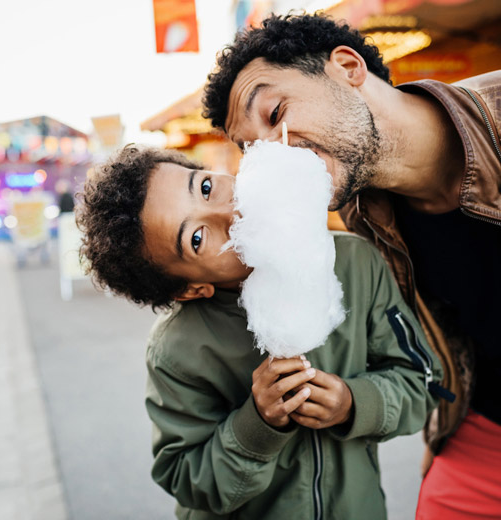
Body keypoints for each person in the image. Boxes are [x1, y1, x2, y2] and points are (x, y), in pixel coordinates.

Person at [201, 12, 501, 518]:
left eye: (275, 114)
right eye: (251, 148)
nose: (271, 156)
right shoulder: (362, 216)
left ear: (346, 66)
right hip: (480, 432)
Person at [76, 144, 443, 519]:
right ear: (189, 290)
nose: (231, 211)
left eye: (204, 187)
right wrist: (258, 425)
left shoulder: (355, 263)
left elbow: (424, 382)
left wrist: (354, 403)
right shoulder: (176, 349)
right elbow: (186, 477)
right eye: (197, 239)